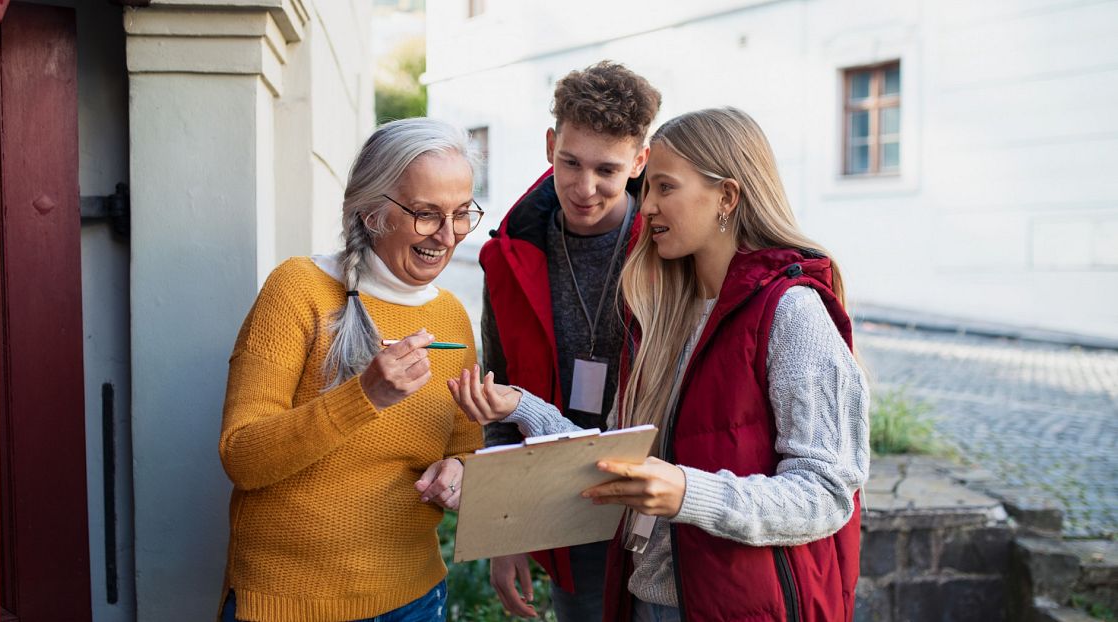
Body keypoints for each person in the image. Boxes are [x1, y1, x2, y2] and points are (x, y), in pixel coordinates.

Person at [452, 107, 869, 622]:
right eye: (647, 188)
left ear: (727, 197)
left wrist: (687, 492)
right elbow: (620, 457)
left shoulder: (792, 312)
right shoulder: (662, 312)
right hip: (644, 598)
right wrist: (522, 407)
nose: (644, 205)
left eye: (663, 188)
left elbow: (828, 494)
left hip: (738, 606)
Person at [216, 117, 485, 622]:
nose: (448, 236)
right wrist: (364, 396)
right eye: (426, 215)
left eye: (462, 213)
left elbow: (463, 447)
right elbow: (242, 456)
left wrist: (459, 472)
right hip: (290, 603)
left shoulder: (451, 315)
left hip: (414, 598)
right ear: (370, 213)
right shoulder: (298, 289)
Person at [478, 60, 661, 619]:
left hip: (666, 502)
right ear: (551, 143)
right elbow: (499, 393)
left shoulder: (670, 244)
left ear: (639, 160)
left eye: (607, 169)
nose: (585, 189)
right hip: (568, 505)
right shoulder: (509, 254)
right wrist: (503, 530)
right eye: (570, 163)